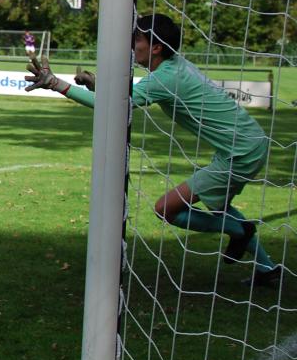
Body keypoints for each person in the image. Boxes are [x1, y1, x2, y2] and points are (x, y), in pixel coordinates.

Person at [26, 14, 280, 286]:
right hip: (248, 143)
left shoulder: (165, 78)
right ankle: (267, 269)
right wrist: (97, 84)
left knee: (166, 209)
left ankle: (239, 230)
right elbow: (125, 96)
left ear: (156, 47)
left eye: (138, 39)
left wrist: (56, 84)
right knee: (220, 208)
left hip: (240, 152)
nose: (133, 45)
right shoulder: (175, 66)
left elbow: (113, 106)